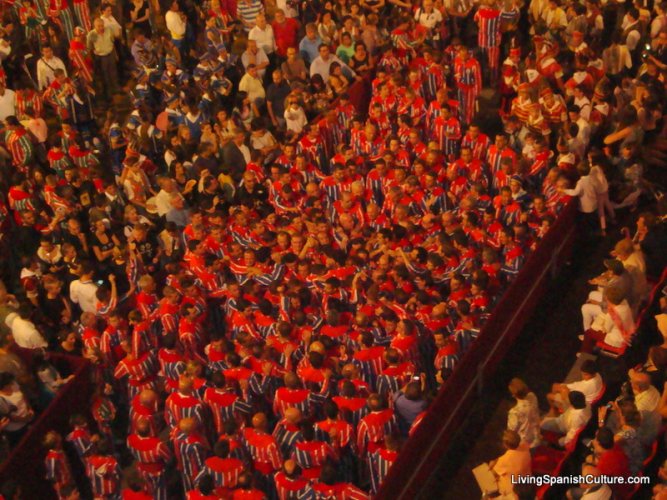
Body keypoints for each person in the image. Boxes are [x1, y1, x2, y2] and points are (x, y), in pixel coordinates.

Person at [488, 430, 531, 498]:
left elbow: (493, 473)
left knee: (488, 478)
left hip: (514, 489)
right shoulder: (525, 446)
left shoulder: (504, 460)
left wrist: (492, 464)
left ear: (505, 445)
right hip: (526, 480)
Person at [506, 378, 541, 448]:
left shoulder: (515, 412)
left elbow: (511, 431)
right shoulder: (532, 396)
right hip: (537, 433)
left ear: (513, 395)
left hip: (526, 443)